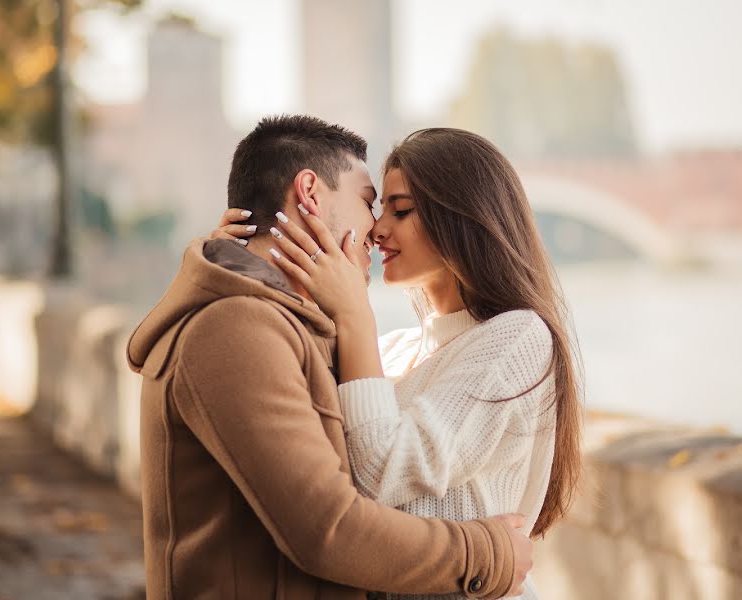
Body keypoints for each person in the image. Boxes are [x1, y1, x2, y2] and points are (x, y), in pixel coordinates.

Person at [126, 116, 533, 600]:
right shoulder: (237, 328)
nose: (376, 228)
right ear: (310, 193)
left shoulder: (276, 324)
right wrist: (488, 553)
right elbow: (330, 529)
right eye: (368, 203)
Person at [215, 127, 583, 600]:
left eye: (401, 209)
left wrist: (353, 313)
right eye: (379, 207)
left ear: (464, 216)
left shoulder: (518, 339)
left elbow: (377, 474)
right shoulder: (391, 351)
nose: (378, 227)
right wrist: (239, 265)